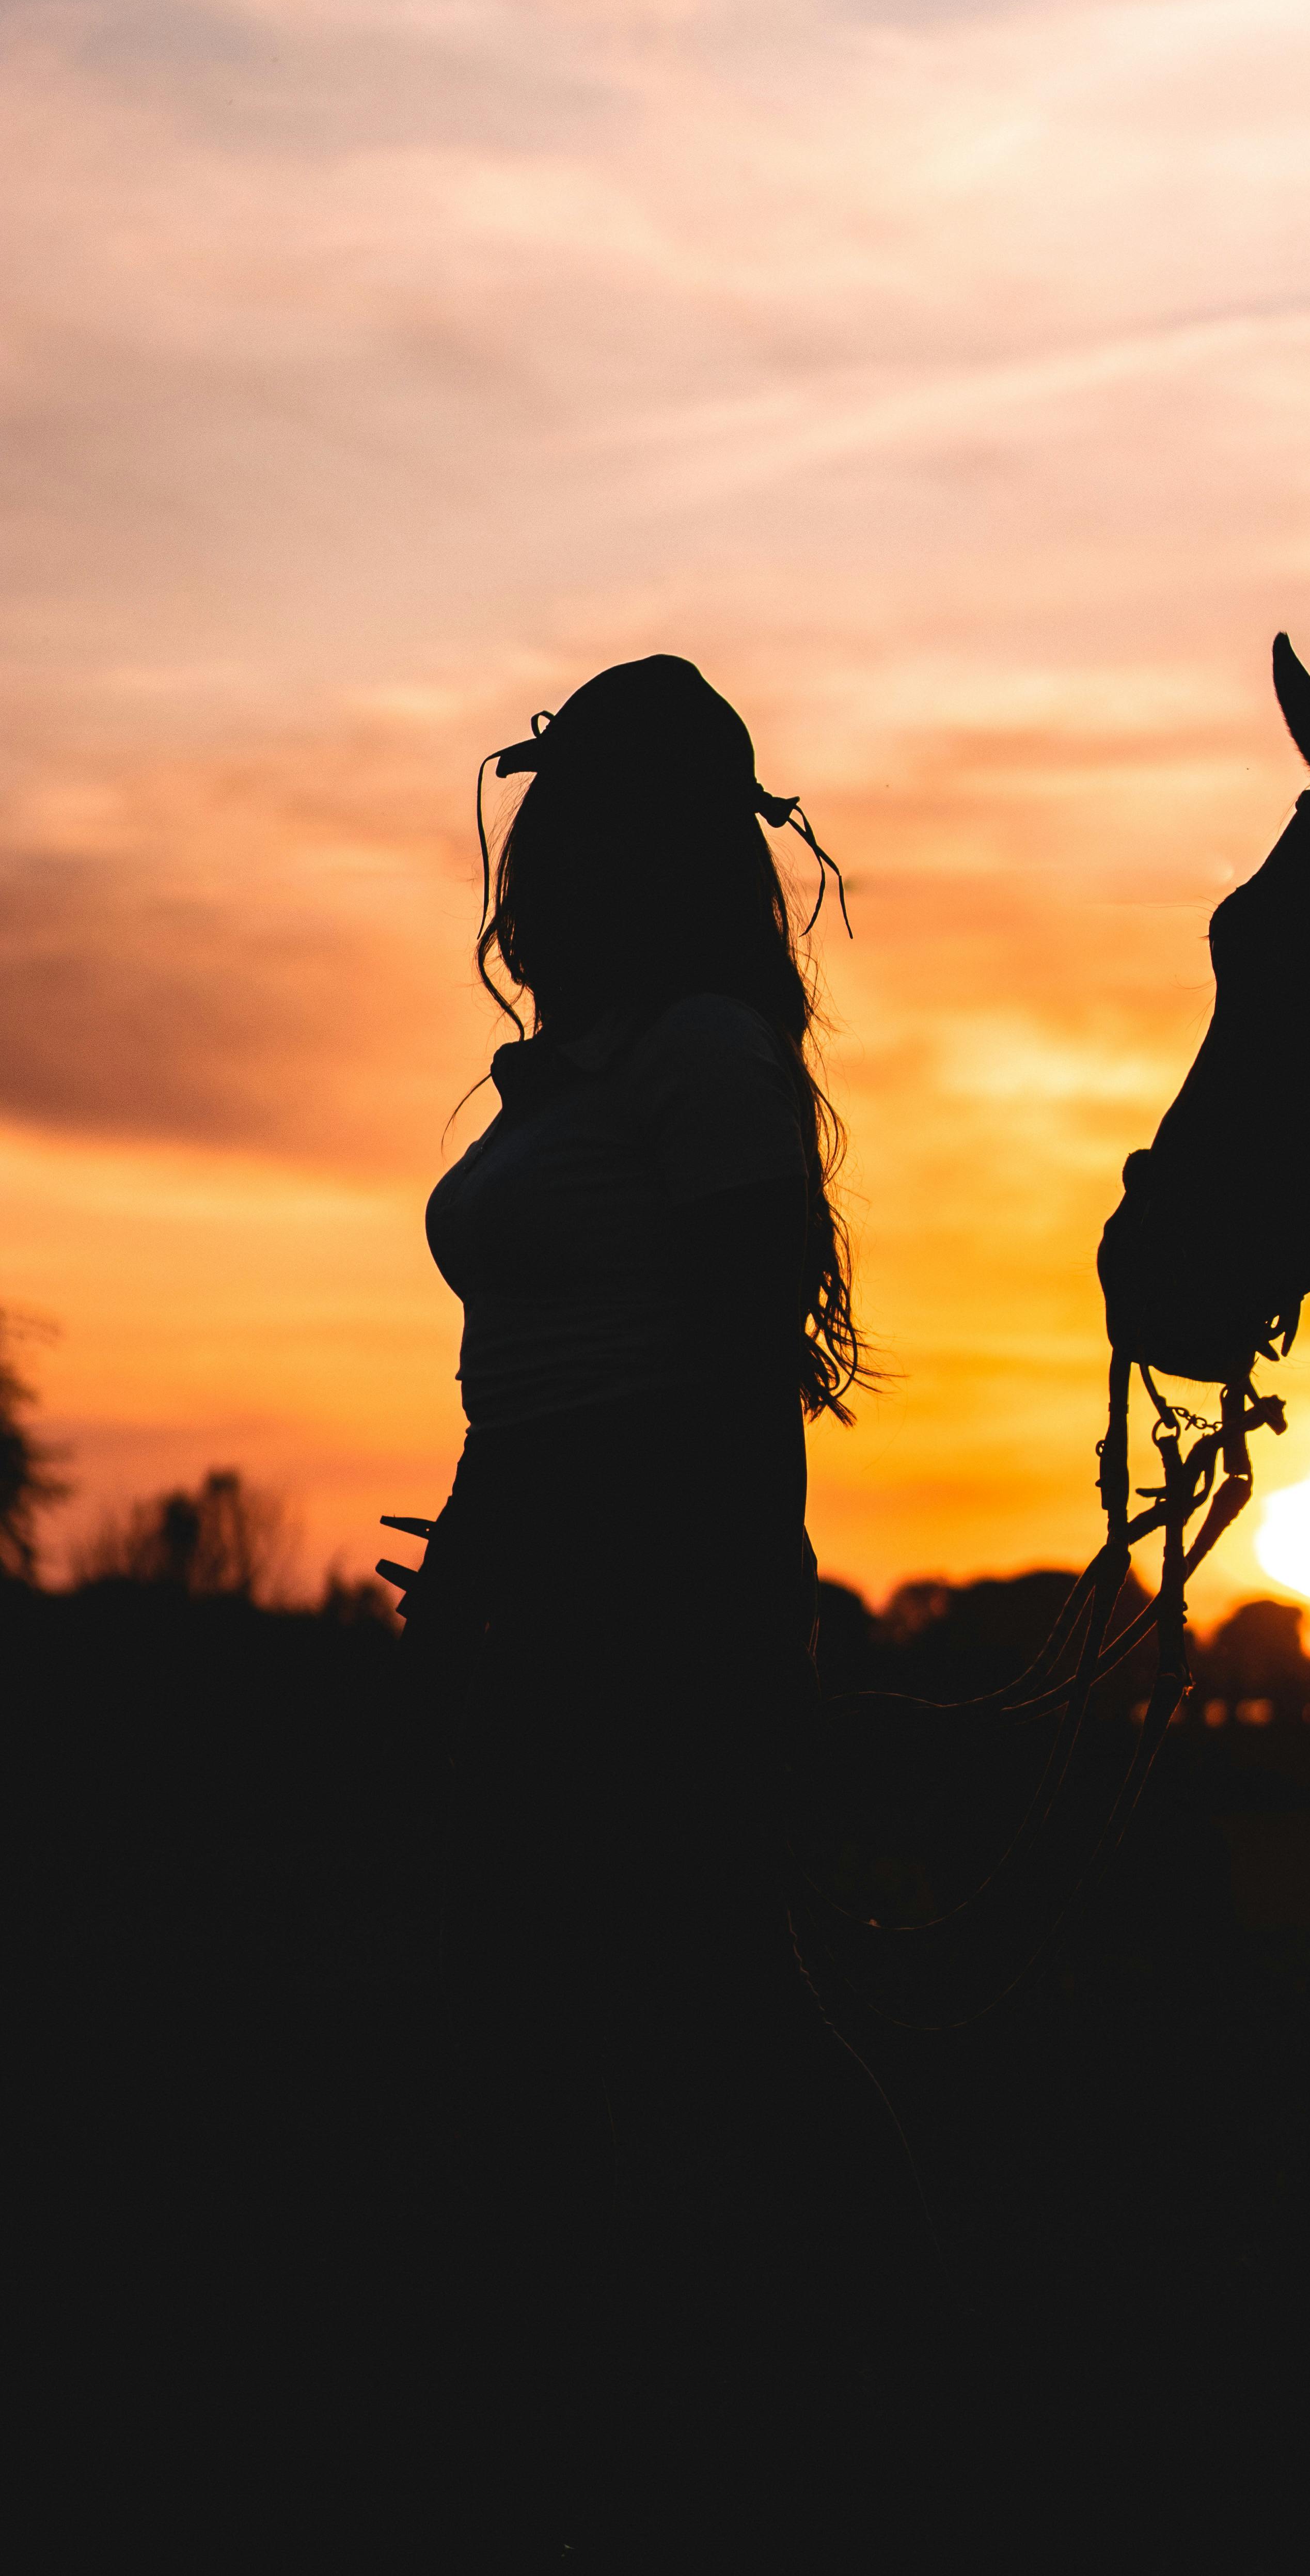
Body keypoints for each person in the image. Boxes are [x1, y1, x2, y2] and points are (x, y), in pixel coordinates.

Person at [403, 654, 907, 2556]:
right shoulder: (596, 1069)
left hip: (641, 1618)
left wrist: (643, 1606)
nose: (531, 858)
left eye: (570, 819)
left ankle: (808, 2384)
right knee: (589, 2009)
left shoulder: (703, 1054)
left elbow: (724, 1381)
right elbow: (522, 1373)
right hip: (531, 1598)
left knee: (692, 2009)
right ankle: (647, 2389)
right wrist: (471, 1561)